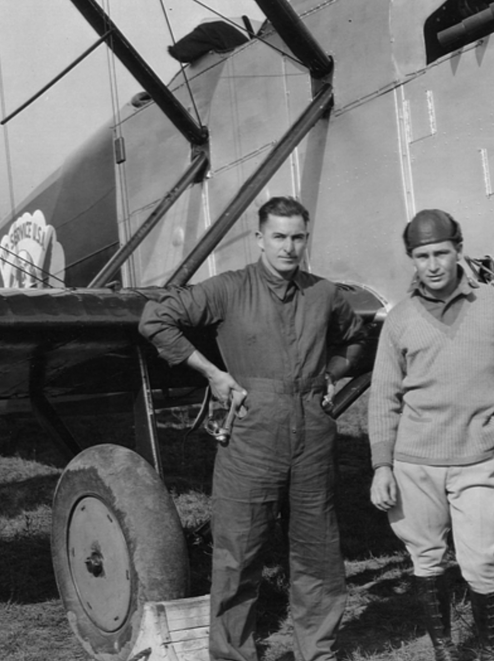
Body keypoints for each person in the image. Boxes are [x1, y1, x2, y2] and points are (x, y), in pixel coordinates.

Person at [139, 196, 366, 661]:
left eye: (297, 237)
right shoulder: (227, 289)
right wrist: (212, 373)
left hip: (313, 432)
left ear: (306, 239)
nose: (288, 247)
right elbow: (155, 319)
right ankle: (232, 654)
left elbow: (357, 337)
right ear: (260, 239)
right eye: (278, 237)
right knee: (238, 552)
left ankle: (316, 651)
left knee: (317, 550)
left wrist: (331, 373)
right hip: (251, 432)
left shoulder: (324, 294)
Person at [367, 209, 494, 661]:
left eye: (441, 252)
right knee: (425, 560)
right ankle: (445, 651)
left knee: (481, 561)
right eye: (422, 255)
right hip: (414, 462)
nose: (433, 264)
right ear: (412, 259)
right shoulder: (399, 319)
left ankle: (489, 653)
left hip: (475, 460)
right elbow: (383, 397)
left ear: (458, 250)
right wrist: (381, 466)